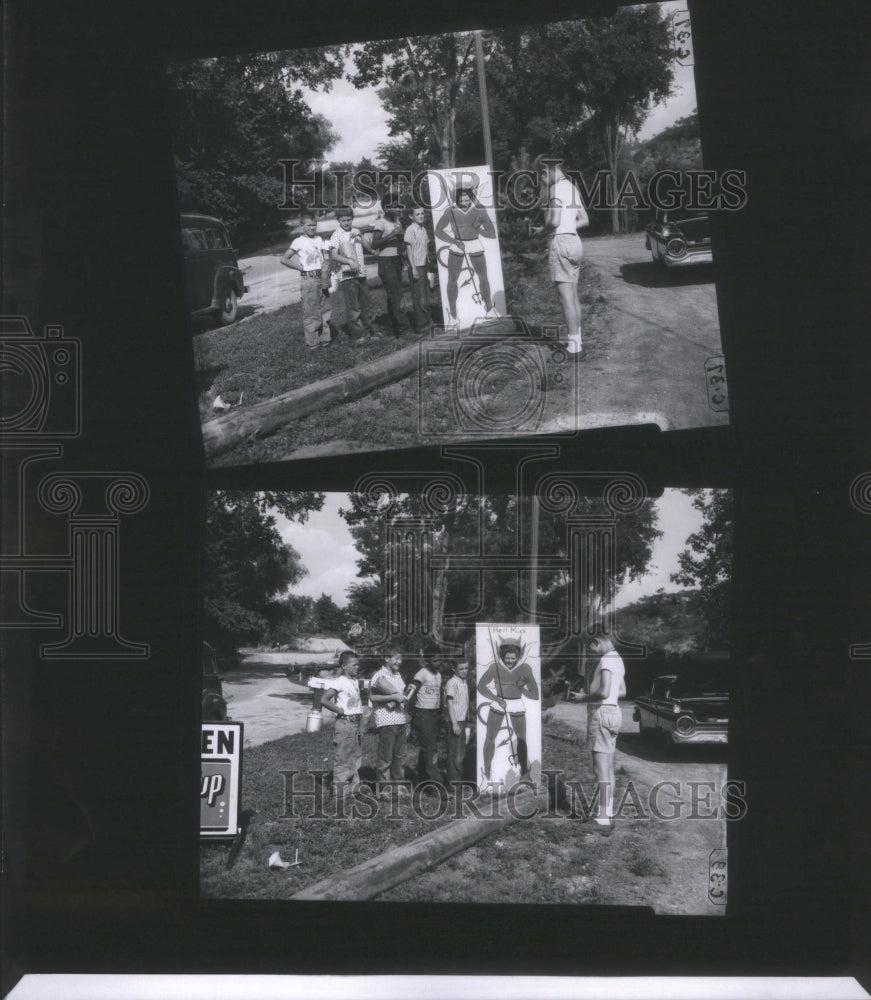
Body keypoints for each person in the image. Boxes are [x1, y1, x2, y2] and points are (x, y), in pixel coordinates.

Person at [530, 157, 589, 358]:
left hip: (561, 243)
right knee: (573, 295)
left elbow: (554, 221)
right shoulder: (572, 187)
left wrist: (541, 232)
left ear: (546, 171)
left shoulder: (555, 189)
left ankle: (574, 347)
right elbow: (584, 220)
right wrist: (567, 226)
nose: (542, 182)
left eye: (541, 177)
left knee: (565, 298)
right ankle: (578, 340)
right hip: (575, 241)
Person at [575, 633, 626, 835]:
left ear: (597, 641)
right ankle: (607, 814)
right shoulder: (618, 659)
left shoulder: (606, 659)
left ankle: (603, 819)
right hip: (614, 712)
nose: (591, 652)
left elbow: (604, 692)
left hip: (602, 712)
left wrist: (583, 698)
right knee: (608, 769)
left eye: (590, 648)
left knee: (600, 770)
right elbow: (622, 690)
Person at [477, 641, 539, 785]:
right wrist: (496, 699)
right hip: (499, 703)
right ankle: (486, 771)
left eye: (513, 658)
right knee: (490, 737)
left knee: (521, 738)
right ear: (502, 656)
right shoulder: (495, 667)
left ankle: (525, 773)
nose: (510, 661)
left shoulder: (525, 668)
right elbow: (481, 686)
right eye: (507, 658)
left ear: (518, 657)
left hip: (516, 703)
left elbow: (535, 695)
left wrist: (521, 688)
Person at [434, 185, 499, 325]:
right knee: (452, 279)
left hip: (474, 244)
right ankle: (452, 316)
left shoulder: (480, 211)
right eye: (461, 198)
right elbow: (438, 231)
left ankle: (489, 309)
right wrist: (454, 242)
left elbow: (492, 233)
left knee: (483, 277)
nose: (465, 201)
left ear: (471, 198)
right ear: (455, 199)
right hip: (457, 245)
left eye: (468, 198)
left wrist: (478, 228)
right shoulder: (450, 211)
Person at [327, 207, 379, 344]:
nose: (346, 223)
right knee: (354, 307)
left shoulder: (356, 231)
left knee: (366, 304)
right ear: (338, 220)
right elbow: (334, 255)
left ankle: (370, 331)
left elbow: (368, 248)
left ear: (352, 219)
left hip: (361, 273)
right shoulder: (336, 235)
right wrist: (349, 261)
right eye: (343, 220)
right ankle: (357, 336)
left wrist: (361, 236)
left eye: (348, 220)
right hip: (347, 275)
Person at [280, 215, 331, 352]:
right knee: (310, 310)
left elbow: (324, 257)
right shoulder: (298, 241)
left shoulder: (319, 239)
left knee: (325, 308)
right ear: (302, 226)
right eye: (308, 225)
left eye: (314, 225)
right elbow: (284, 259)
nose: (312, 227)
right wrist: (301, 268)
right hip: (309, 279)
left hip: (322, 277)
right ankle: (312, 342)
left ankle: (325, 339)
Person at [368, 646, 413, 798]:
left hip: (400, 719)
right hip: (386, 720)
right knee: (386, 756)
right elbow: (373, 698)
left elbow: (400, 697)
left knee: (399, 756)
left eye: (400, 659)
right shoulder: (379, 676)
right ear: (386, 658)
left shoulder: (398, 675)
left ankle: (398, 787)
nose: (399, 662)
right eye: (395, 658)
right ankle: (384, 789)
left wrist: (407, 694)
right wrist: (393, 697)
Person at [319, 651, 363, 796]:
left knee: (355, 756)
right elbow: (324, 700)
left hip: (355, 725)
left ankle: (354, 788)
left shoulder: (355, 681)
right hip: (344, 724)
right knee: (343, 757)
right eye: (354, 664)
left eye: (358, 664)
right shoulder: (339, 681)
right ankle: (340, 791)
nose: (358, 667)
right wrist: (340, 710)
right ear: (344, 666)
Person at [371, 205, 410, 338]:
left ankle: (393, 326)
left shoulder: (396, 222)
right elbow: (374, 244)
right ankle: (403, 330)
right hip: (386, 262)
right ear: (387, 208)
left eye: (399, 206)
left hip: (396, 260)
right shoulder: (381, 222)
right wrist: (392, 234)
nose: (398, 209)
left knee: (394, 294)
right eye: (395, 207)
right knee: (396, 295)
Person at [408, 655, 444, 786]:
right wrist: (413, 713)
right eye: (435, 660)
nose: (438, 662)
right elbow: (410, 694)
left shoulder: (438, 674)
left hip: (434, 714)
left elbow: (438, 695)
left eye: (439, 659)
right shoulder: (421, 674)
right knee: (430, 749)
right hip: (423, 713)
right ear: (428, 661)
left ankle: (422, 780)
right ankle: (437, 785)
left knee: (428, 747)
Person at [404, 205, 432, 336]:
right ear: (411, 216)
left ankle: (427, 322)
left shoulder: (423, 229)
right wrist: (413, 268)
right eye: (417, 214)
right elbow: (409, 251)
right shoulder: (410, 230)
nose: (421, 216)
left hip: (424, 265)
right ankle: (420, 326)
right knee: (419, 297)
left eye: (422, 214)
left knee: (425, 295)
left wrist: (429, 266)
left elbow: (425, 249)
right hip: (416, 266)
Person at [444, 659, 472, 789]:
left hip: (463, 720)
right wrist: (454, 723)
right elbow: (449, 703)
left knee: (461, 753)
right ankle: (452, 784)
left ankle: (458, 781)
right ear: (454, 669)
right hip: (455, 721)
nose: (464, 671)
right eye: (461, 669)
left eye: (466, 668)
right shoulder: (452, 683)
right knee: (455, 754)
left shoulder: (463, 682)